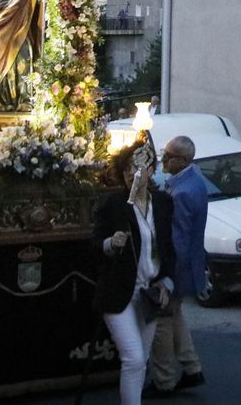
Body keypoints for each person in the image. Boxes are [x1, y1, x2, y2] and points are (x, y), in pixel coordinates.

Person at [93, 141, 176, 405]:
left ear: (151, 170)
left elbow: (168, 250)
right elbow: (93, 246)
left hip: (149, 293)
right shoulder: (113, 204)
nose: (132, 173)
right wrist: (110, 244)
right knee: (133, 358)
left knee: (142, 361)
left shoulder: (162, 204)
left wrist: (167, 284)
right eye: (128, 168)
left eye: (138, 167)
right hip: (119, 295)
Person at [147, 136, 208, 396]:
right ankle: (191, 367)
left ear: (183, 160)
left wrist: (166, 277)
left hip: (178, 269)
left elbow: (178, 241)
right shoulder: (194, 181)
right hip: (188, 266)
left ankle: (164, 381)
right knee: (175, 315)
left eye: (169, 155)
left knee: (161, 319)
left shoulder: (181, 193)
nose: (164, 158)